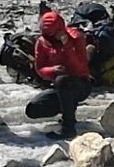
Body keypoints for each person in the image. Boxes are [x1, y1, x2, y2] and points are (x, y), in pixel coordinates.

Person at [24, 10, 91, 139]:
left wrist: (67, 47)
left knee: (63, 80)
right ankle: (68, 108)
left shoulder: (76, 38)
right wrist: (53, 70)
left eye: (52, 36)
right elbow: (40, 69)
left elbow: (80, 67)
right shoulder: (42, 42)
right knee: (33, 110)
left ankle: (68, 127)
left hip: (80, 84)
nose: (49, 39)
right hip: (58, 87)